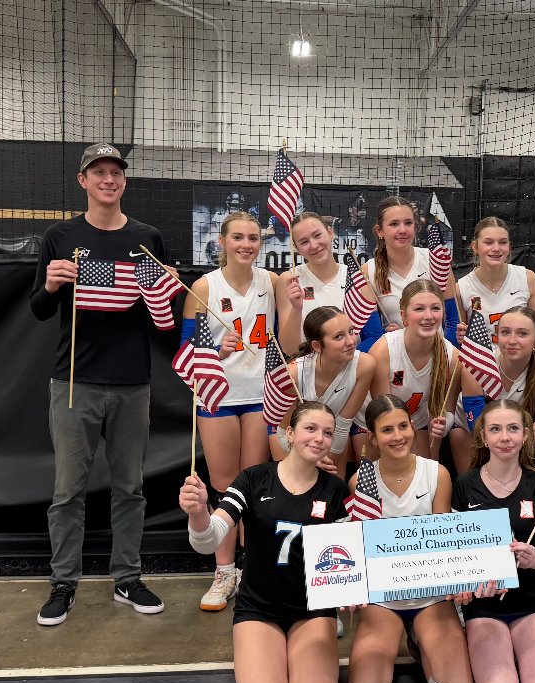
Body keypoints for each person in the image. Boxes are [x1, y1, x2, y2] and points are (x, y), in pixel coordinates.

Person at [30, 143, 175, 626]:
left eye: (116, 172)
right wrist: (51, 285)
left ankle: (127, 577)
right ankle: (63, 583)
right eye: (99, 172)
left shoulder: (147, 238)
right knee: (68, 492)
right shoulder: (60, 236)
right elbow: (39, 309)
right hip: (75, 381)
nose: (108, 179)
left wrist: (164, 286)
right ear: (83, 180)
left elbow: (162, 315)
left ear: (124, 181)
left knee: (130, 488)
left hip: (133, 382)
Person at [179, 402, 349, 683]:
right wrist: (198, 514)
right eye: (310, 428)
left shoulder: (335, 489)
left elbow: (347, 558)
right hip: (259, 609)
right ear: (290, 434)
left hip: (312, 611)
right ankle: (267, 662)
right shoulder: (254, 479)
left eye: (328, 433)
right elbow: (208, 541)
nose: (319, 438)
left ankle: (295, 664)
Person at [346, 395, 475, 683]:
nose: (398, 436)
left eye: (403, 426)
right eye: (386, 430)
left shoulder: (436, 474)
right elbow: (359, 547)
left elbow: (446, 541)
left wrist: (460, 579)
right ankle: (397, 635)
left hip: (430, 596)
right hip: (383, 599)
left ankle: (421, 637)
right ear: (372, 438)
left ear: (413, 427)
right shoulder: (360, 482)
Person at [183, 211, 278, 612]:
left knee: (253, 488)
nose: (246, 244)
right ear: (221, 242)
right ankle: (224, 572)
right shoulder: (205, 286)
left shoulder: (272, 282)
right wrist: (213, 352)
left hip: (259, 395)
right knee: (224, 486)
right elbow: (187, 350)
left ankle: (252, 571)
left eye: (253, 238)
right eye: (237, 237)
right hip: (218, 396)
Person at [452, 399, 535, 683]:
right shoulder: (464, 485)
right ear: (483, 437)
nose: (505, 437)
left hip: (529, 604)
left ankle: (522, 660)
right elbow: (454, 557)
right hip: (484, 607)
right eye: (496, 429)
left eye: (513, 428)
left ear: (526, 435)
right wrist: (470, 584)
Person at [353, 280, 460, 460]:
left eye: (435, 308)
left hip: (416, 424)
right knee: (379, 474)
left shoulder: (452, 356)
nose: (428, 316)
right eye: (419, 309)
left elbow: (447, 409)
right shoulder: (384, 350)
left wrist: (444, 425)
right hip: (373, 425)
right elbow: (382, 413)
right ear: (404, 316)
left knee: (429, 473)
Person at [450, 306, 535, 474]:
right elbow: (477, 426)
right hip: (468, 428)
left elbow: (531, 415)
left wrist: (528, 435)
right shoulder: (478, 363)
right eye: (505, 332)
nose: (512, 340)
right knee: (475, 483)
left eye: (522, 333)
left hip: (512, 434)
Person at [271, 306, 375, 479]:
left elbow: (342, 425)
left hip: (333, 435)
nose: (351, 341)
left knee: (331, 487)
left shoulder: (365, 365)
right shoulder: (293, 375)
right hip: (293, 438)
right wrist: (310, 458)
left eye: (351, 331)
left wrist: (323, 458)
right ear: (317, 346)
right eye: (339, 336)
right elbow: (284, 433)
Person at [276, 212, 384, 355]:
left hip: (352, 364)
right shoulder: (290, 280)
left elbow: (373, 337)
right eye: (304, 242)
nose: (314, 245)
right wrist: (296, 308)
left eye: (317, 235)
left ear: (330, 233)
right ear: (297, 249)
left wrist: (340, 360)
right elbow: (289, 349)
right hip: (307, 366)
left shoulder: (357, 277)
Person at [364, 196, 459, 344]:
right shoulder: (368, 271)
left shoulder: (436, 260)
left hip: (437, 351)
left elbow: (453, 322)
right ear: (379, 231)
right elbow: (371, 334)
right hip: (394, 353)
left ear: (415, 226)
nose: (402, 230)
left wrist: (445, 354)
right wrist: (386, 335)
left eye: (408, 223)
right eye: (394, 224)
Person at [455, 217, 535, 346]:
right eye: (488, 243)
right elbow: (461, 335)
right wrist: (460, 335)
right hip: (481, 358)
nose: (496, 248)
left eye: (502, 242)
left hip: (519, 358)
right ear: (475, 247)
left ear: (509, 246)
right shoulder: (462, 288)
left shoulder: (526, 278)